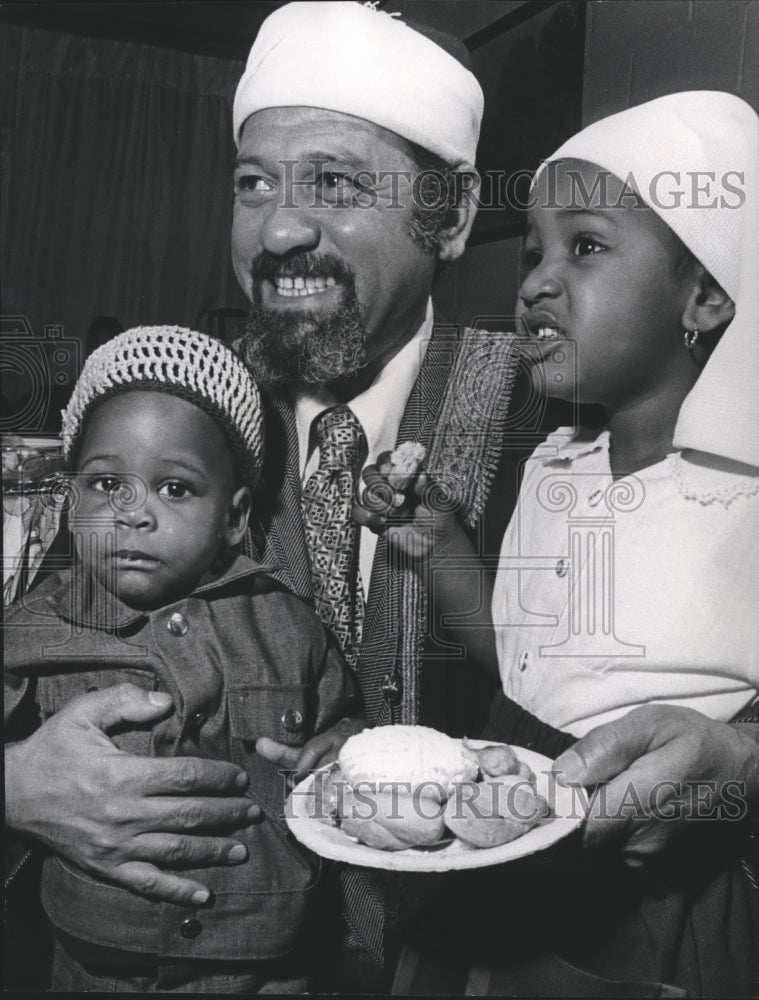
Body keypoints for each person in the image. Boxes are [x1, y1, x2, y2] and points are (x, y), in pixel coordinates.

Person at [5, 4, 528, 991]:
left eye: (334, 183)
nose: (280, 227)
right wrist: (14, 783)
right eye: (254, 184)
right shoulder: (173, 411)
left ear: (450, 216)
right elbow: (40, 637)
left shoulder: (549, 415)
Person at [361, 91, 759, 996]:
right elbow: (528, 663)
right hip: (505, 861)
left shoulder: (745, 499)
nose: (535, 279)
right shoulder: (553, 462)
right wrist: (439, 547)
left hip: (648, 913)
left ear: (704, 293)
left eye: (584, 246)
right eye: (534, 250)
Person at [4, 325, 358, 993]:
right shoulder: (31, 628)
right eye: (107, 483)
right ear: (71, 498)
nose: (133, 514)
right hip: (89, 969)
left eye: (174, 489)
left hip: (272, 965)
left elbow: (339, 728)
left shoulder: (289, 623)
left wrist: (335, 755)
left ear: (233, 516)